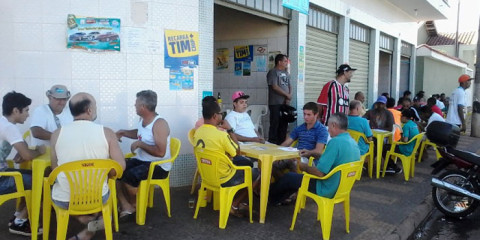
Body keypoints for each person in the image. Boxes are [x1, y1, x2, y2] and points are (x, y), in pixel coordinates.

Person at [50, 92, 126, 240]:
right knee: (107, 196)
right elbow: (120, 167)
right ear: (90, 110)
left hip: (65, 199)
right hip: (98, 197)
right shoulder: (107, 133)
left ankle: (85, 222)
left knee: (55, 190)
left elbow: (55, 168)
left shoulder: (56, 134)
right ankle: (91, 225)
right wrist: (106, 173)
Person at [193, 99, 259, 217]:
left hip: (207, 176)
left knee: (244, 163)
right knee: (257, 173)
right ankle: (234, 204)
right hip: (224, 177)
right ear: (215, 116)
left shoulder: (198, 132)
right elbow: (237, 151)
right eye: (220, 114)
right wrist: (229, 129)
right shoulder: (221, 134)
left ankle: (238, 201)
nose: (222, 116)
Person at [116, 90, 172, 218]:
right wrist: (124, 132)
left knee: (130, 176)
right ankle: (126, 204)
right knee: (118, 168)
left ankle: (135, 204)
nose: (134, 106)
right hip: (143, 160)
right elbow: (140, 133)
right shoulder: (143, 120)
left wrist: (140, 144)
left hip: (158, 166)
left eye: (136, 103)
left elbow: (161, 152)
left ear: (143, 107)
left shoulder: (159, 124)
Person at [1, 92, 46, 236]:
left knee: (32, 177)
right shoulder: (9, 127)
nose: (28, 115)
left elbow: (22, 150)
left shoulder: (4, 123)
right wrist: (39, 150)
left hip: (3, 172)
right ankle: (20, 222)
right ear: (15, 111)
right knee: (42, 182)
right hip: (1, 178)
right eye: (26, 110)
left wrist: (24, 153)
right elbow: (27, 154)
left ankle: (18, 215)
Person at [298, 113, 361, 198]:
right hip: (343, 188)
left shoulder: (335, 142)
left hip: (326, 188)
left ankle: (276, 202)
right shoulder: (353, 142)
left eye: (329, 127)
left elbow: (319, 173)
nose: (328, 130)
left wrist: (300, 165)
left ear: (334, 125)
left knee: (289, 178)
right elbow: (335, 160)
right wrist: (311, 153)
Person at [384, 109, 419, 174]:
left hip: (405, 149)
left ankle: (392, 167)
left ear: (404, 117)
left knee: (384, 148)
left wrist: (401, 135)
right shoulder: (414, 124)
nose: (400, 118)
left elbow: (405, 140)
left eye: (401, 116)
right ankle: (391, 166)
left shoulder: (406, 126)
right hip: (412, 148)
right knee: (389, 147)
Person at [266, 54, 291, 144]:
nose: (286, 63)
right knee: (275, 124)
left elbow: (289, 85)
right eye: (285, 61)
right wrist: (286, 95)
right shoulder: (273, 72)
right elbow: (275, 87)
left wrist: (289, 96)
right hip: (275, 103)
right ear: (279, 62)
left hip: (285, 103)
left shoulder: (286, 73)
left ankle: (281, 143)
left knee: (283, 124)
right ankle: (272, 143)